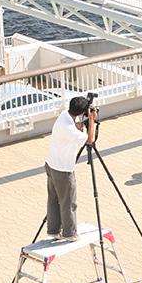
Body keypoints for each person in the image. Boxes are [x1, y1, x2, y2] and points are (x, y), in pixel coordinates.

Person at [45, 96, 97, 242]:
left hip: (50, 164)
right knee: (68, 201)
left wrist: (82, 122)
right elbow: (89, 139)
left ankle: (53, 230)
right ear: (82, 112)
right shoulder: (69, 129)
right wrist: (92, 120)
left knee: (53, 199)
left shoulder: (64, 116)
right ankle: (69, 233)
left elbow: (75, 127)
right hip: (62, 170)